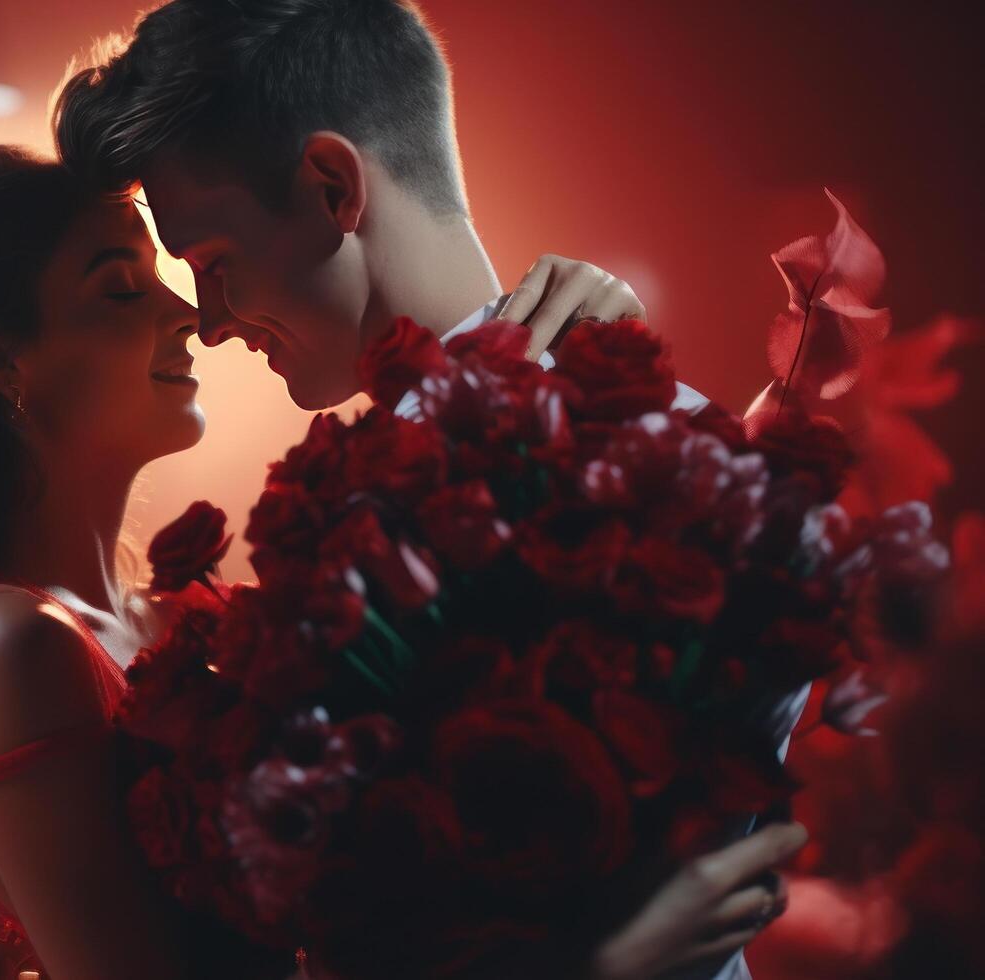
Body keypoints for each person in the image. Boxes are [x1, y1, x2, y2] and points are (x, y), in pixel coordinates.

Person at [0, 144, 805, 980]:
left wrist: (585, 360)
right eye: (120, 287)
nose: (188, 315)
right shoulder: (1, 638)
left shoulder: (178, 610)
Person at [52, 2, 809, 976]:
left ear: (332, 187)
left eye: (214, 265)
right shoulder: (403, 483)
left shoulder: (611, 475)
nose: (210, 321)